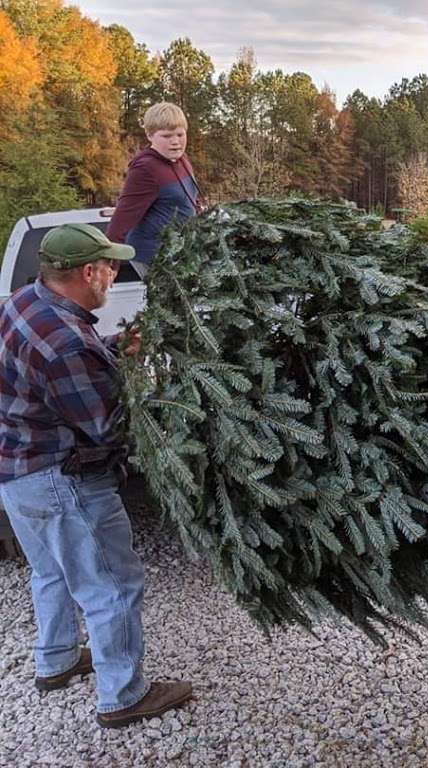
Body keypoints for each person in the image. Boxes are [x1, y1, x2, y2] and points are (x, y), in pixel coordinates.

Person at [0, 224, 194, 729]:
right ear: (89, 272)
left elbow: (61, 363)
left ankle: (57, 660)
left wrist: (112, 346)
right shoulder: (68, 344)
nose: (114, 273)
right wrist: (171, 403)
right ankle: (123, 694)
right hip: (61, 478)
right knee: (112, 585)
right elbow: (109, 427)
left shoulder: (25, 302)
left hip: (16, 472)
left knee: (51, 571)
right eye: (110, 266)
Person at [107, 102, 202, 279]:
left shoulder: (181, 159)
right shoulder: (145, 169)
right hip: (154, 255)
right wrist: (110, 264)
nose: (175, 142)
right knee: (172, 304)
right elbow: (122, 218)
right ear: (150, 135)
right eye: (166, 136)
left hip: (180, 250)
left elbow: (191, 198)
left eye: (180, 134)